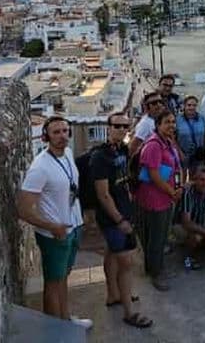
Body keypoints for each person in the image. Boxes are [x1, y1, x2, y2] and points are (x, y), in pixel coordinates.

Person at [17, 116, 90, 329]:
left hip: (72, 228)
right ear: (46, 137)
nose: (62, 136)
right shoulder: (40, 167)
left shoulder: (67, 154)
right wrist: (52, 227)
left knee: (63, 278)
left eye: (65, 131)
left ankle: (65, 320)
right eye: (56, 132)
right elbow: (23, 209)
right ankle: (55, 331)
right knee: (53, 282)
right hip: (54, 235)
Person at [90, 112, 151, 329]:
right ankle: (129, 312)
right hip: (114, 217)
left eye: (125, 126)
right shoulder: (100, 157)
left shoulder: (123, 150)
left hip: (123, 211)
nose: (122, 130)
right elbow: (103, 194)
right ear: (108, 128)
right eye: (117, 126)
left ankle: (113, 295)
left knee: (112, 253)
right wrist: (120, 220)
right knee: (127, 263)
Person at [136, 109, 182, 291]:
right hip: (154, 198)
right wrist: (172, 192)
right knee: (155, 237)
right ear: (158, 125)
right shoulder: (154, 145)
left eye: (173, 122)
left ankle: (158, 267)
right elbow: (153, 175)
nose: (171, 125)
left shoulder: (167, 142)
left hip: (166, 196)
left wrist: (176, 188)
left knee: (162, 235)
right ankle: (155, 273)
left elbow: (174, 167)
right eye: (167, 122)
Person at [176, 95, 205, 180]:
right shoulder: (178, 119)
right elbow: (173, 138)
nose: (191, 107)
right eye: (189, 105)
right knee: (182, 176)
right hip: (184, 153)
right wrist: (180, 153)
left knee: (196, 176)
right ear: (184, 106)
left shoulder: (201, 118)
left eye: (194, 105)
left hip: (198, 154)